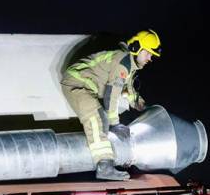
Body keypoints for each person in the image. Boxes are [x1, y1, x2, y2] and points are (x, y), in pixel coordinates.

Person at [61, 30, 160, 181]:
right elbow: (111, 96)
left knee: (103, 119)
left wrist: (138, 103)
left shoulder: (129, 64)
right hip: (77, 83)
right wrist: (115, 123)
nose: (150, 58)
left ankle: (105, 159)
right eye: (148, 53)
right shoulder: (123, 62)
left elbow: (127, 86)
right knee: (96, 119)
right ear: (136, 48)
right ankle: (104, 166)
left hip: (86, 86)